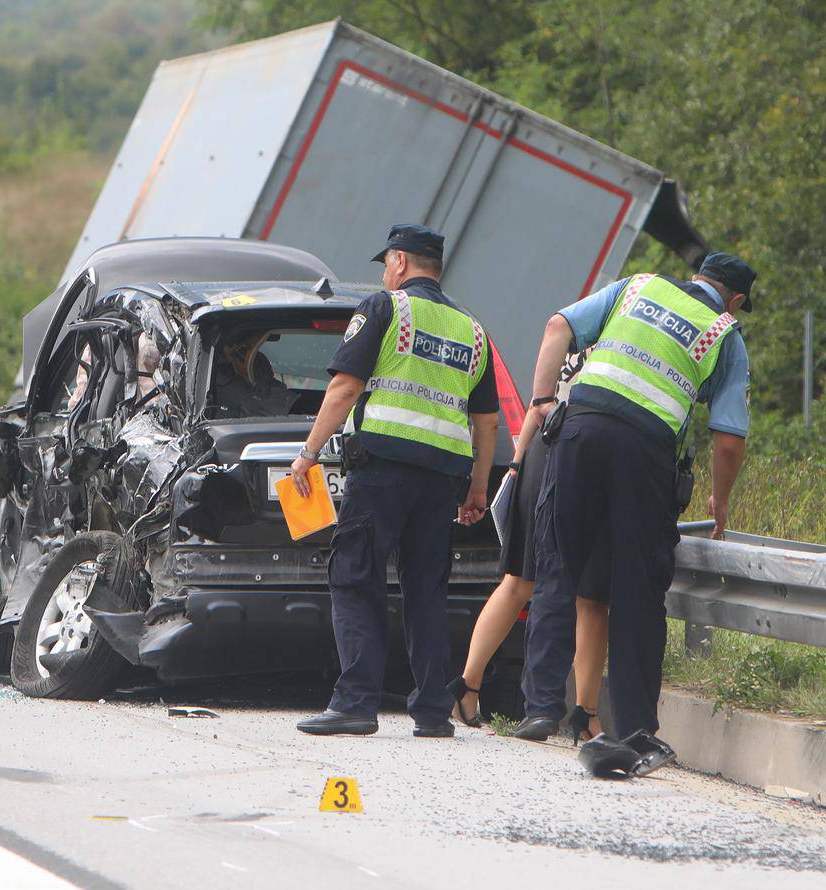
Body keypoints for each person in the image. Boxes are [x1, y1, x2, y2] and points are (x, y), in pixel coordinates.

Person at [519, 252, 754, 772]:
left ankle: (539, 709)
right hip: (645, 452)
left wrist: (541, 402)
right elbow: (729, 439)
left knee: (558, 561)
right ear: (735, 301)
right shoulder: (724, 333)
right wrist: (720, 498)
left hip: (580, 427)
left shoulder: (638, 286)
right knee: (637, 587)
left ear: (696, 276)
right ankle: (633, 727)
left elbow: (557, 325)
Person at [290, 224, 501, 738]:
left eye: (386, 262)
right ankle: (432, 711)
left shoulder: (385, 309)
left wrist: (308, 453)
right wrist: (477, 489)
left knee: (357, 575)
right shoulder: (472, 329)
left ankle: (355, 704)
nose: (385, 272)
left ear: (401, 261)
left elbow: (344, 386)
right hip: (443, 478)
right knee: (426, 589)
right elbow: (488, 420)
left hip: (382, 466)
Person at [447, 400, 609, 741]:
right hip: (583, 457)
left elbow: (537, 407)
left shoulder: (566, 347)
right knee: (587, 594)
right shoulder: (618, 356)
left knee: (520, 581)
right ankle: (587, 714)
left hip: (543, 450)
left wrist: (517, 465)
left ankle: (467, 687)